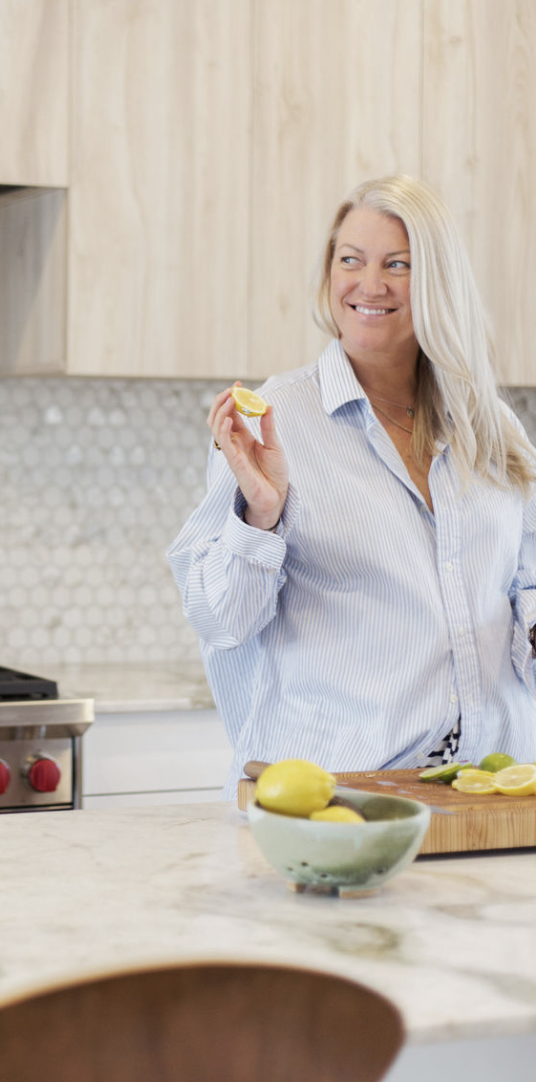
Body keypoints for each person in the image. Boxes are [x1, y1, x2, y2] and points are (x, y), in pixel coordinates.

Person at [167, 174, 536, 799]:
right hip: (334, 796)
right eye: (351, 261)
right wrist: (261, 515)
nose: (370, 285)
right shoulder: (278, 419)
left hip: (486, 792)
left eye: (399, 264)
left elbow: (525, 586)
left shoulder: (488, 424)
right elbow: (222, 621)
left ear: (439, 284)